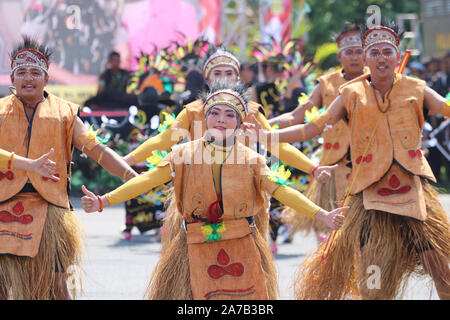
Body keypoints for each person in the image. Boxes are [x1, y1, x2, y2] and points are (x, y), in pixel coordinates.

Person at [80, 81, 347, 300]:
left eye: (230, 115)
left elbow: (281, 190)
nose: (221, 119)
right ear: (204, 117)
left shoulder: (252, 159)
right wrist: (104, 200)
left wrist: (322, 214)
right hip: (194, 243)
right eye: (215, 113)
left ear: (241, 123)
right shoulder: (182, 153)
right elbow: (147, 180)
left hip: (243, 242)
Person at [255, 18, 450, 300]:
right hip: (368, 196)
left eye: (387, 52)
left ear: (398, 55)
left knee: (440, 269)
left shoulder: (416, 88)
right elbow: (311, 127)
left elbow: (446, 108)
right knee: (373, 280)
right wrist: (267, 135)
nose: (380, 58)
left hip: (413, 194)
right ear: (365, 57)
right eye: (373, 52)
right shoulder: (349, 93)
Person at [122, 46, 338, 243]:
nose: (222, 78)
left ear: (238, 78)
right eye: (217, 73)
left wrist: (313, 168)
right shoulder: (192, 110)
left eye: (229, 73)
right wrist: (126, 161)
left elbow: (276, 144)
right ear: (207, 77)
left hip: (243, 192)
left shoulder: (251, 111)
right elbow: (164, 139)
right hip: (199, 193)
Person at [0, 37, 138, 300]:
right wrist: (28, 165)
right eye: (21, 72)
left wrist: (131, 176)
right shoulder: (1, 111)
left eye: (35, 72)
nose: (28, 78)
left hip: (49, 209)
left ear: (46, 78)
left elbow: (97, 149)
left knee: (55, 288)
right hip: (3, 204)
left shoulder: (64, 113)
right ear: (12, 78)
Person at [267, 23, 367, 243]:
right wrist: (264, 126)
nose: (354, 57)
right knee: (343, 233)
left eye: (359, 51)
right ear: (340, 56)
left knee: (371, 231)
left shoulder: (378, 79)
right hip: (337, 165)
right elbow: (297, 117)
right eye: (349, 52)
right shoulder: (326, 84)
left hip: (373, 163)